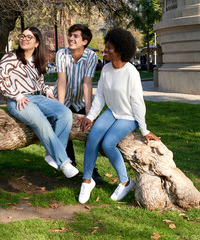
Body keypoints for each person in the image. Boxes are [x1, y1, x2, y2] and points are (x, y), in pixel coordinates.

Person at [77, 28, 161, 204]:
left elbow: (137, 103)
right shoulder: (106, 69)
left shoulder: (131, 72)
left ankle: (125, 181)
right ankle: (87, 180)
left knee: (108, 143)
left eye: (109, 48)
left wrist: (144, 129)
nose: (104, 51)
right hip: (113, 111)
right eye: (105, 47)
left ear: (121, 50)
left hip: (128, 116)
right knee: (92, 137)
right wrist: (90, 117)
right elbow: (99, 96)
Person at [0, 26, 79, 178]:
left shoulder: (37, 59)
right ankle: (64, 162)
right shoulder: (10, 57)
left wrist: (46, 90)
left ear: (37, 43)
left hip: (39, 97)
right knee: (41, 121)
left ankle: (52, 154)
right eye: (22, 36)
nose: (24, 39)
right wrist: (17, 94)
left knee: (65, 113)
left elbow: (40, 81)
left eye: (29, 37)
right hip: (19, 100)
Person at [51, 24, 103, 183]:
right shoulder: (61, 54)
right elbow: (61, 81)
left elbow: (87, 83)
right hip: (63, 97)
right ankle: (69, 164)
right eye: (70, 35)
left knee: (89, 133)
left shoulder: (91, 57)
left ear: (85, 41)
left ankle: (91, 170)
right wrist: (60, 108)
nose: (71, 39)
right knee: (64, 129)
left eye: (76, 36)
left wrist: (89, 113)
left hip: (80, 98)